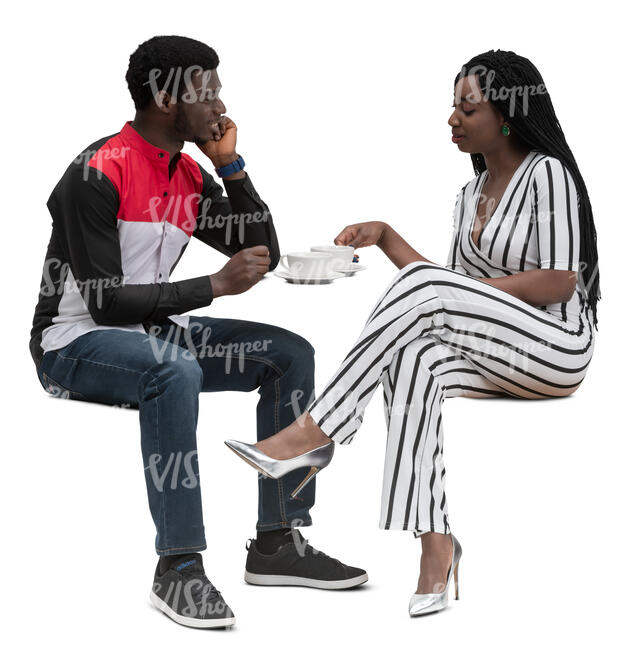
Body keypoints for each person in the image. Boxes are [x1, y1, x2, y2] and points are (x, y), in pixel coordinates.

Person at [225, 49, 601, 617]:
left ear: (507, 114)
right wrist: (385, 236)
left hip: (555, 345)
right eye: (452, 106)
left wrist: (458, 291)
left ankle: (314, 431)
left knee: (427, 296)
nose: (453, 117)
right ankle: (436, 545)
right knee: (411, 359)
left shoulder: (546, 174)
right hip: (498, 346)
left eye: (467, 107)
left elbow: (558, 280)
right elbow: (446, 288)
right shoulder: (467, 197)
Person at [28, 35, 367, 630]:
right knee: (173, 368)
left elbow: (260, 251)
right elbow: (105, 304)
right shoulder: (95, 173)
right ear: (163, 97)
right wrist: (211, 286)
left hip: (155, 327)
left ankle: (277, 541)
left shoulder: (185, 173)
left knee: (289, 355)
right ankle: (179, 567)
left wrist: (230, 166)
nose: (219, 104)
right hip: (74, 341)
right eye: (205, 91)